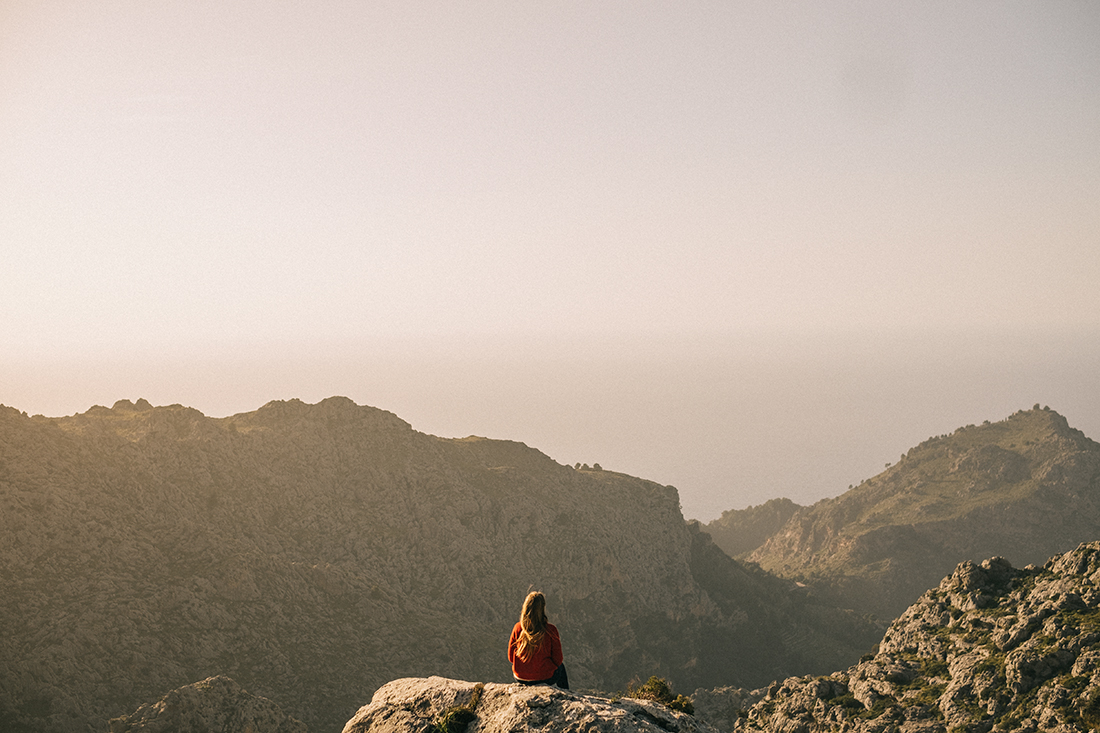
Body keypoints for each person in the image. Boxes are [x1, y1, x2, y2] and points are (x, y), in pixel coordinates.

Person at [508, 591, 569, 689]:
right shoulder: (550, 630)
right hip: (545, 678)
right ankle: (566, 695)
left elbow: (511, 658)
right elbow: (558, 660)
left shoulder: (518, 628)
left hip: (520, 677)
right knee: (561, 667)